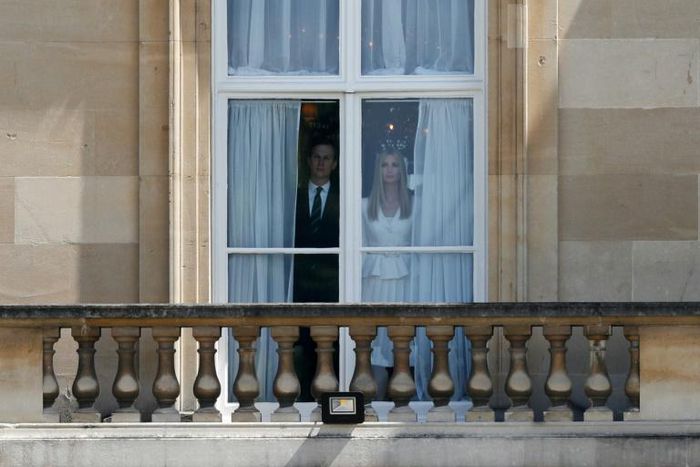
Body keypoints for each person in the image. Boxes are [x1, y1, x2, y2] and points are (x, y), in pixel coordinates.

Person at [362, 150, 413, 398]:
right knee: (376, 342)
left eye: (395, 165)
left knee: (404, 337)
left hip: (406, 282)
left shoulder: (415, 205)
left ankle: (406, 400)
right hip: (374, 282)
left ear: (403, 170)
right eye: (385, 165)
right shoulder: (364, 206)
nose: (390, 170)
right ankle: (375, 400)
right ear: (378, 170)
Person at [293, 139, 340, 401]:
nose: (321, 162)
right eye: (316, 157)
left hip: (332, 288)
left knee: (332, 349)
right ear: (309, 160)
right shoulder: (294, 198)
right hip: (299, 287)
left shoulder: (344, 200)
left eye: (326, 158)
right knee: (301, 350)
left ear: (334, 164)